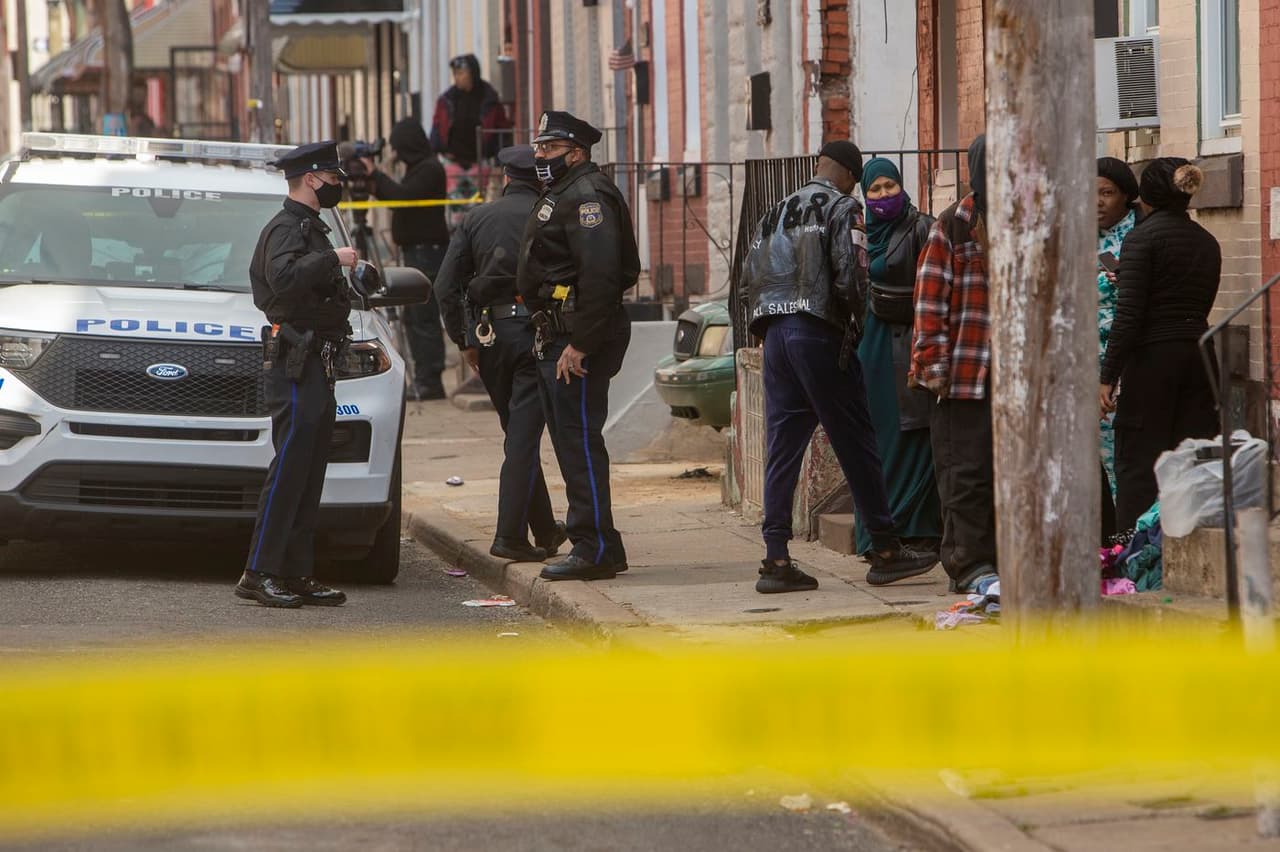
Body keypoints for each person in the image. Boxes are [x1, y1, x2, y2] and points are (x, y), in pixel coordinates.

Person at [744, 140, 938, 595]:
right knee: (857, 441)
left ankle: (775, 557)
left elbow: (748, 277)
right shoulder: (842, 205)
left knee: (783, 446)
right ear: (850, 175)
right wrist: (855, 326)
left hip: (774, 334)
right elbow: (853, 272)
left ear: (817, 166)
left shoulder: (774, 210)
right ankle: (887, 550)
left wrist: (766, 332)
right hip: (818, 331)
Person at [516, 110, 639, 582]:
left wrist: (582, 344)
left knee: (580, 442)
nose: (541, 157)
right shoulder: (565, 191)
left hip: (577, 340)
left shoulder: (587, 195)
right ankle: (602, 541)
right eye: (539, 149)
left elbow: (602, 275)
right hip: (558, 334)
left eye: (549, 150)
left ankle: (593, 547)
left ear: (577, 153)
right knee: (570, 442)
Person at [235, 141, 356, 608]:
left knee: (309, 470)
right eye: (334, 179)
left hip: (317, 359)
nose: (338, 186)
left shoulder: (311, 228)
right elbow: (281, 281)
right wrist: (334, 260)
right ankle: (259, 572)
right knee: (289, 468)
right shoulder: (286, 228)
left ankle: (297, 571)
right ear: (312, 179)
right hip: (295, 358)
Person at [435, 145, 568, 562]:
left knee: (519, 436)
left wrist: (465, 341)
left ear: (505, 178)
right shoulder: (553, 214)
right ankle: (509, 536)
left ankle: (545, 530)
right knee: (524, 439)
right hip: (537, 332)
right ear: (542, 178)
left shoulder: (477, 218)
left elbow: (445, 286)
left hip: (491, 337)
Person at [1100, 158, 1219, 532]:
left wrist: (1108, 376)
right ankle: (1190, 542)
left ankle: (1132, 551)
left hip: (1152, 362)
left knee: (1137, 462)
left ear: (1146, 197)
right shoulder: (1207, 241)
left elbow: (1129, 316)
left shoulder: (1141, 239)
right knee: (1192, 457)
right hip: (1200, 359)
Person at [910, 135, 998, 595]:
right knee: (965, 474)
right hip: (962, 379)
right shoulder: (953, 225)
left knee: (1009, 473)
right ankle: (969, 566)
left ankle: (1005, 561)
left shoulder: (1031, 220)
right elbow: (929, 302)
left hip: (1014, 379)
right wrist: (935, 370)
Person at [854, 157, 943, 573]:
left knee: (914, 434)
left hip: (909, 342)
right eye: (876, 189)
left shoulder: (922, 226)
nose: (885, 195)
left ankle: (916, 529)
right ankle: (880, 532)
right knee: (878, 438)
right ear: (865, 193)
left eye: (891, 186)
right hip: (871, 347)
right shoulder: (858, 231)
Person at [365, 118, 450, 400]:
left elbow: (402, 197)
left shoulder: (429, 170)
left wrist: (376, 176)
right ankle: (424, 376)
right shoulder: (419, 168)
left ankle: (430, 380)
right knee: (414, 319)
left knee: (422, 318)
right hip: (416, 252)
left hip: (426, 254)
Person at [1095, 156, 1142, 540]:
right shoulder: (1076, 236)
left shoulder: (1137, 237)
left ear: (1126, 196)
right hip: (1080, 366)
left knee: (1117, 461)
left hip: (1120, 368)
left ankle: (1125, 542)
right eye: (1090, 193)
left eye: (1107, 193)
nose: (1097, 201)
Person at [429, 55, 512, 169]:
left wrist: (501, 163)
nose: (457, 78)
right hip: (452, 163)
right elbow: (437, 128)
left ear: (472, 73)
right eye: (455, 74)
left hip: (481, 163)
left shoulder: (489, 99)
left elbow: (502, 132)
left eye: (461, 73)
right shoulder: (446, 100)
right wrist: (434, 154)